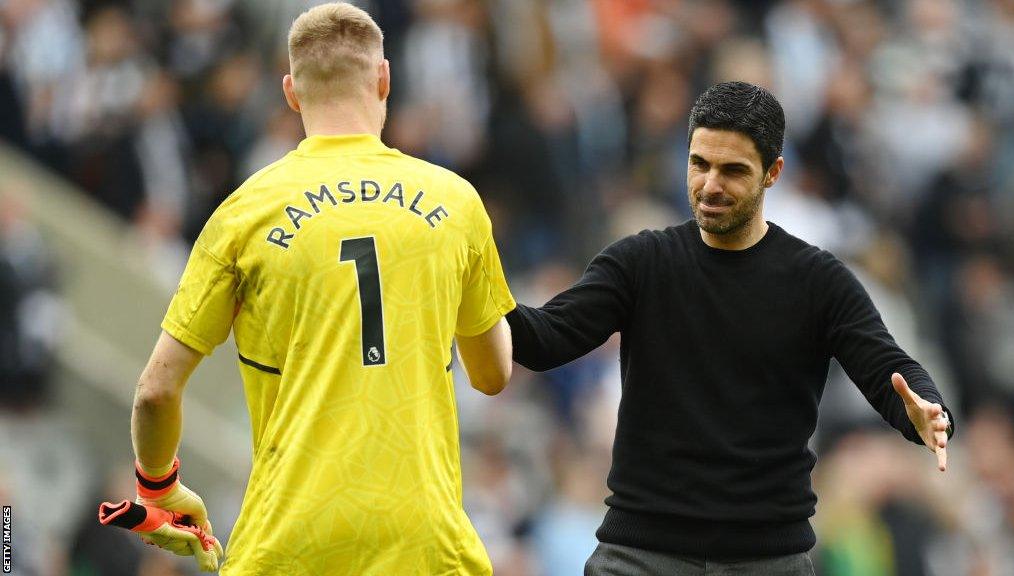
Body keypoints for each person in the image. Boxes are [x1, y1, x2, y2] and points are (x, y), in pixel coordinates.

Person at [507, 81, 954, 575]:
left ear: (773, 173)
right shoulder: (642, 262)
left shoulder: (817, 281)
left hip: (767, 561)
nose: (711, 185)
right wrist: (463, 286)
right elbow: (544, 339)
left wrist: (925, 411)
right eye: (700, 164)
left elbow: (887, 369)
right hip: (641, 556)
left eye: (733, 170)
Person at [127, 3, 515, 574]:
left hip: (286, 545)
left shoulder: (245, 213)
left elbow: (156, 391)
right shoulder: (455, 202)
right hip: (424, 545)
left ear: (291, 93)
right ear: (383, 79)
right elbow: (492, 374)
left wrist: (158, 489)